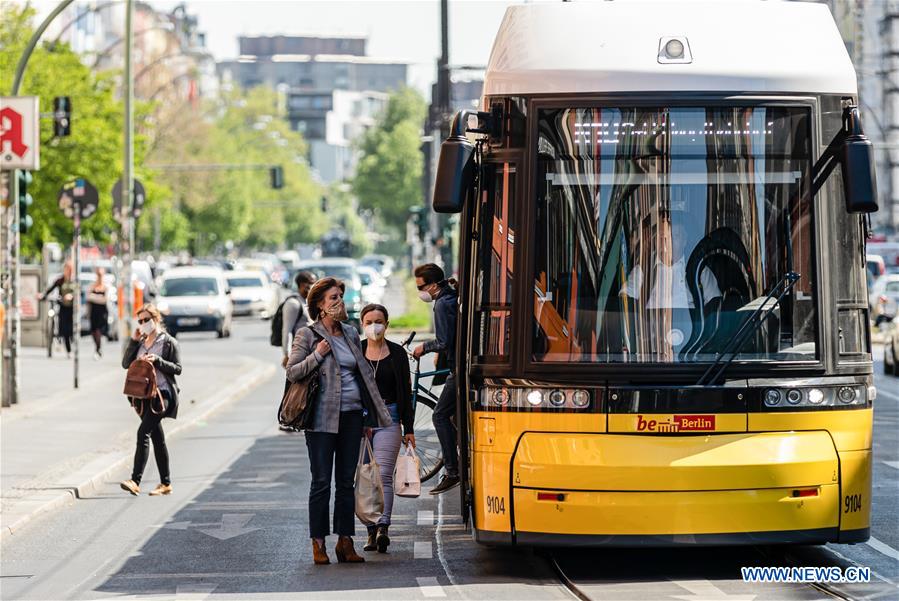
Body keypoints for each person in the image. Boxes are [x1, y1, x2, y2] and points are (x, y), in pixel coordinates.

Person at [287, 277, 392, 565]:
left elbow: (363, 374)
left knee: (346, 482)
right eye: (333, 298)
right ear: (320, 305)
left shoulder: (350, 332)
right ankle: (318, 543)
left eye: (340, 297)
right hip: (321, 420)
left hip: (352, 417)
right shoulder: (307, 335)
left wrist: (368, 415)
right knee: (321, 482)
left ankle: (345, 542)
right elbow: (292, 372)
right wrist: (317, 355)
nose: (339, 302)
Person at [359, 303, 415, 553]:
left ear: (387, 324)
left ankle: (383, 527)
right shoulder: (356, 351)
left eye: (379, 321)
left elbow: (406, 391)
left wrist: (408, 428)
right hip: (361, 422)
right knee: (364, 478)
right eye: (369, 322)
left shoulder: (397, 353)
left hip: (389, 419)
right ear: (362, 325)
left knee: (383, 475)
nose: (374, 326)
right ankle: (370, 531)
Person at [120, 304, 182, 497]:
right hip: (143, 396)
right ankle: (166, 483)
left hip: (162, 395)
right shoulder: (140, 342)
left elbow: (178, 368)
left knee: (143, 433)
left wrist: (158, 360)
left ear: (156, 319)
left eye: (147, 319)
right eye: (140, 321)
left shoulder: (168, 342)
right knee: (157, 438)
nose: (143, 324)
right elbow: (125, 364)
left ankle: (135, 480)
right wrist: (133, 341)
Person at [412, 263, 460, 495]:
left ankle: (452, 471)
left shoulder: (442, 303)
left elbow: (444, 341)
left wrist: (424, 347)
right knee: (450, 414)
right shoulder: (450, 296)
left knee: (439, 415)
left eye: (421, 287)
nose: (420, 292)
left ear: (432, 285)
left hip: (457, 369)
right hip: (457, 364)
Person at [40, 260, 76, 358]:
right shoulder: (60, 280)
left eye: (69, 269)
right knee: (63, 328)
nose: (67, 271)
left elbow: (78, 292)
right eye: (65, 269)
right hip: (63, 306)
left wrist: (72, 296)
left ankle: (71, 345)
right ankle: (66, 348)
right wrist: (43, 295)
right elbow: (51, 289)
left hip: (72, 308)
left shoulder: (74, 281)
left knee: (70, 329)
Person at [281, 271, 316, 369]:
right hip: (298, 354)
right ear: (302, 285)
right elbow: (287, 330)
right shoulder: (293, 303)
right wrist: (287, 355)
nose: (314, 286)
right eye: (312, 283)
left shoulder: (307, 301)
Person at [87, 267, 109, 359]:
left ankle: (98, 349)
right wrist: (98, 298)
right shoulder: (92, 286)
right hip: (93, 311)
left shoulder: (105, 286)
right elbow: (88, 297)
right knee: (93, 330)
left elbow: (105, 299)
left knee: (98, 330)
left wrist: (94, 297)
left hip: (101, 312)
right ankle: (97, 347)